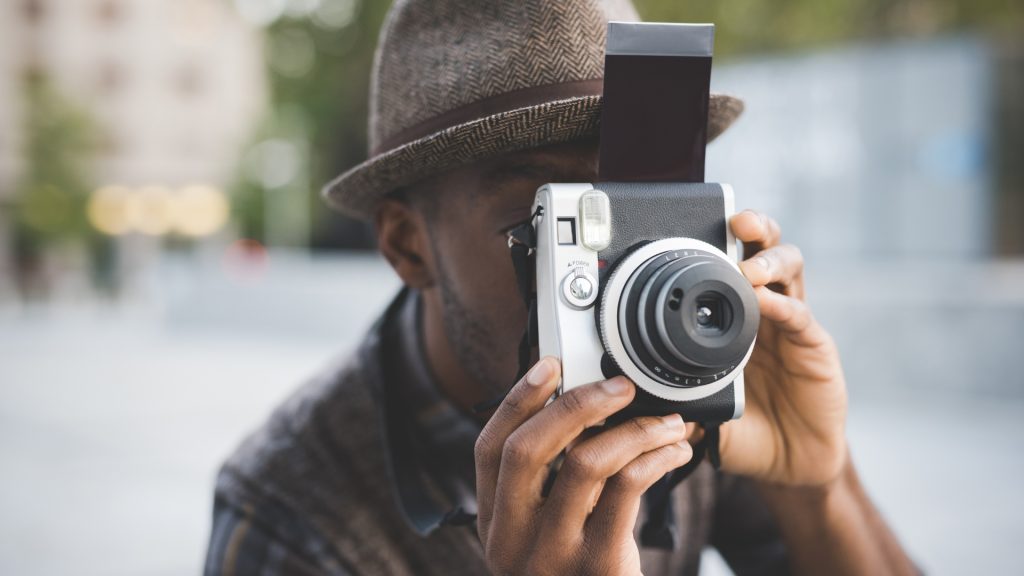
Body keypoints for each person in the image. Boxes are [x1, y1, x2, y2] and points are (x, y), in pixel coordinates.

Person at [205, 0, 918, 574]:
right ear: (406, 244)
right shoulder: (291, 511)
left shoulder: (696, 386)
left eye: (642, 203)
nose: (627, 278)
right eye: (557, 220)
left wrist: (819, 487)